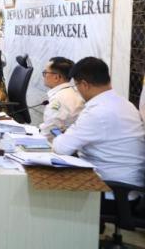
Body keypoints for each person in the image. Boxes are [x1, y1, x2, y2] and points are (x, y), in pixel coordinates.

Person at [53, 58, 145, 195]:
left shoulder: (97, 111)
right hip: (128, 187)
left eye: (76, 86)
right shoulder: (125, 104)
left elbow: (61, 148)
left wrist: (67, 134)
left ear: (84, 84)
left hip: (111, 190)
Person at [39, 57, 84, 138]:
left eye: (45, 72)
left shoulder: (59, 99)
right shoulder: (72, 92)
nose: (44, 76)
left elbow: (49, 133)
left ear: (56, 77)